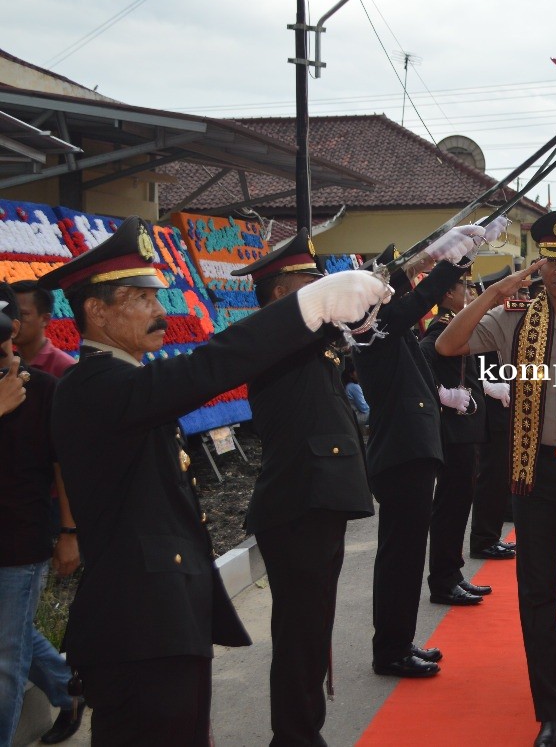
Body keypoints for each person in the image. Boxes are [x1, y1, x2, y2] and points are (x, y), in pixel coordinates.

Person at [39, 216, 390, 744]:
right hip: (141, 624)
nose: (161, 311)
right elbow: (210, 365)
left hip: (159, 616)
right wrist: (307, 307)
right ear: (96, 310)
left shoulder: (122, 380)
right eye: (141, 298)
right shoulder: (95, 384)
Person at [434, 210, 556, 747]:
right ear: (539, 263)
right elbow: (447, 346)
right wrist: (492, 293)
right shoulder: (514, 319)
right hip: (534, 471)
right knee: (537, 593)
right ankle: (551, 709)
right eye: (553, 261)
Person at [231, 233, 392, 745]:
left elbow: (370, 327)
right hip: (298, 504)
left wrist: (421, 269)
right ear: (282, 296)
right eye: (310, 284)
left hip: (315, 501)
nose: (323, 292)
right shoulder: (277, 341)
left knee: (310, 627)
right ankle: (296, 736)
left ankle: (301, 732)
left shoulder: (306, 342)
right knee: (301, 633)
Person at [349, 230, 499, 681]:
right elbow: (413, 304)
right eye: (395, 288)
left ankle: (398, 640)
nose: (404, 295)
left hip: (411, 453)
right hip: (401, 455)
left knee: (407, 556)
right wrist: (452, 261)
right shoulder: (372, 326)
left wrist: (454, 257)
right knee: (400, 557)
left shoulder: (392, 328)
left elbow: (410, 305)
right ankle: (391, 649)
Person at [0, 287, 83, 746]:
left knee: (5, 657)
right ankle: (68, 687)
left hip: (20, 542)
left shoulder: (47, 388)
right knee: (10, 637)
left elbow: (63, 465)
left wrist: (68, 532)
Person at [420, 265, 494, 606]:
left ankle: (453, 573)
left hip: (466, 428)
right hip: (453, 429)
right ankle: (443, 579)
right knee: (450, 506)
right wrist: (442, 393)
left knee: (460, 502)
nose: (468, 292)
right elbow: (423, 366)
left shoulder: (455, 325)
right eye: (462, 287)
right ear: (447, 294)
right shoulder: (438, 330)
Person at [469, 267, 517, 562]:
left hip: (506, 409)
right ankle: (483, 539)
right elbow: (471, 364)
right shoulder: (482, 321)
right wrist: (490, 387)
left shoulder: (505, 321)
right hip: (490, 412)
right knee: (490, 477)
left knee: (500, 476)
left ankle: (491, 534)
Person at [10, 281, 75, 378]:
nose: (14, 321)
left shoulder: (64, 367)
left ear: (45, 319)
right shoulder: (7, 363)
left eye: (22, 315)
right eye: (10, 313)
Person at [343, 363, 370, 428]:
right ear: (351, 375)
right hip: (358, 416)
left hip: (354, 416)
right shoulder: (353, 387)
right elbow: (364, 408)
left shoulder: (350, 386)